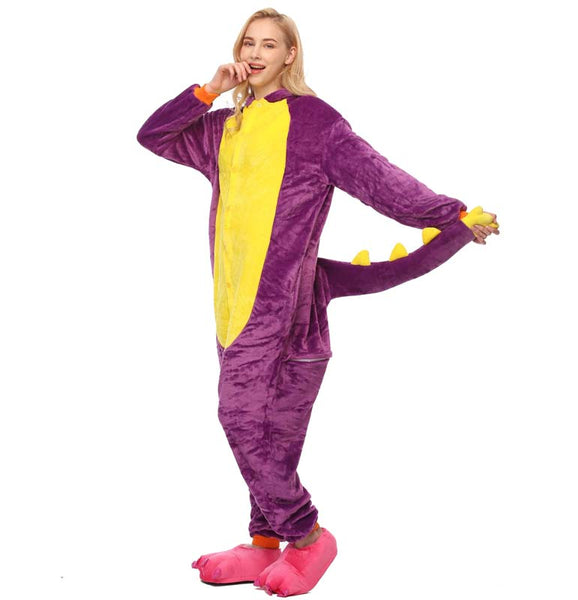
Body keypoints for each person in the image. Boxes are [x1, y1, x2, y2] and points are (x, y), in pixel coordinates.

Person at [136, 7, 499, 597]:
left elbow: (380, 179)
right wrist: (208, 91)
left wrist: (450, 215)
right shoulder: (223, 128)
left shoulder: (314, 122)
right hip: (231, 309)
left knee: (240, 419)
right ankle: (263, 543)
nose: (255, 54)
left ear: (290, 55)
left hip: (286, 317)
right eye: (248, 43)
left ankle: (306, 536)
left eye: (269, 45)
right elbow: (153, 136)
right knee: (266, 437)